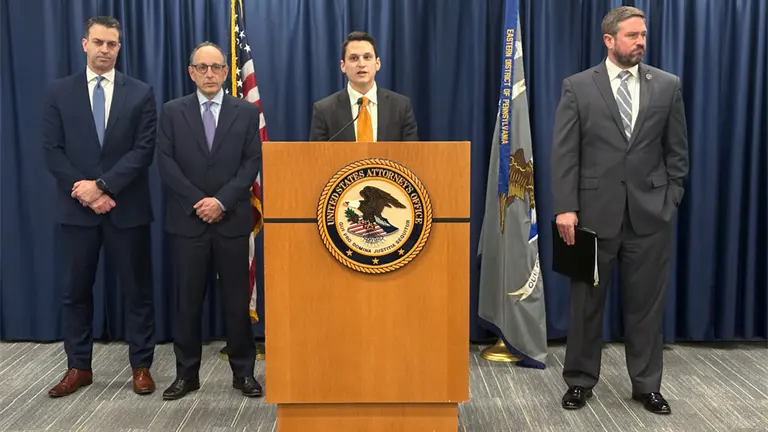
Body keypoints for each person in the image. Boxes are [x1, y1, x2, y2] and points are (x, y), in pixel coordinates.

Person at [550, 6, 688, 415]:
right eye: (632, 35)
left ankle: (647, 386)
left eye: (643, 34)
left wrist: (670, 199)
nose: (641, 41)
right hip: (592, 217)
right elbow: (565, 153)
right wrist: (566, 208)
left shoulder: (667, 85)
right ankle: (579, 381)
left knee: (646, 308)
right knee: (585, 306)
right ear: (609, 40)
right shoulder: (578, 87)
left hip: (650, 217)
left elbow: (677, 153)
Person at [42, 16, 157, 397]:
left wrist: (103, 187)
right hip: (77, 211)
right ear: (84, 44)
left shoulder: (140, 93)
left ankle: (141, 366)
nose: (105, 50)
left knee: (137, 292)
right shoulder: (59, 92)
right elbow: (53, 151)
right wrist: (86, 193)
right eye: (98, 42)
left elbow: (143, 151)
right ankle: (78, 367)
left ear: (119, 48)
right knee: (75, 292)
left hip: (128, 209)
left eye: (112, 44)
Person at [156, 41, 263, 400]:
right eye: (202, 67)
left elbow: (251, 162)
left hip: (232, 221)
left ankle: (243, 374)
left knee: (237, 302)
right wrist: (198, 202)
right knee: (187, 304)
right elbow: (166, 163)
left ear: (226, 72)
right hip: (189, 223)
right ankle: (186, 375)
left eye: (216, 67)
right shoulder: (172, 111)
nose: (210, 74)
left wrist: (221, 201)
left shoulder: (245, 112)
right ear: (191, 72)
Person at [309, 31, 419, 142]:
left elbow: (412, 151)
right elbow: (317, 153)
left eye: (367, 57)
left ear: (377, 64)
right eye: (354, 58)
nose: (361, 64)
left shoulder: (401, 107)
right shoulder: (324, 110)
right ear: (343, 66)